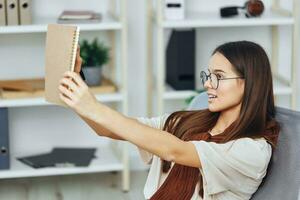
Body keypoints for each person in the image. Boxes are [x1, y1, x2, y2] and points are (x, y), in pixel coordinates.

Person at [58, 41, 280, 200]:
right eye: (208, 75)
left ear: (250, 82)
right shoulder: (188, 122)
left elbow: (176, 151)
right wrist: (77, 91)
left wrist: (94, 107)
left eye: (219, 77)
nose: (207, 84)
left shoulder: (252, 150)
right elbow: (109, 130)